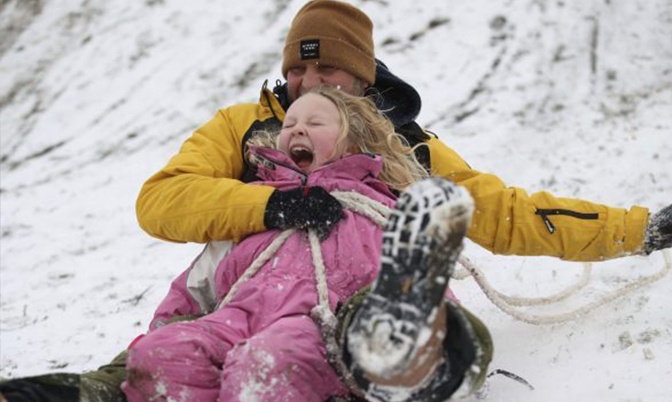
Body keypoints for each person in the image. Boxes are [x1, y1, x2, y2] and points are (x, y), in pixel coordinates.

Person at [1, 0, 670, 401]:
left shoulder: (405, 149)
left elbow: (504, 211)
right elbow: (163, 201)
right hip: (245, 292)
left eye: (326, 71)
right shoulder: (248, 129)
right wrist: (269, 207)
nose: (305, 84)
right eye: (297, 69)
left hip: (349, 293)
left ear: (363, 76)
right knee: (169, 352)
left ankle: (419, 350)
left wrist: (638, 229)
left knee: (363, 322)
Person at [121, 86, 460, 402]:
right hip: (237, 318)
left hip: (318, 328)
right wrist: (166, 326)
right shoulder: (261, 205)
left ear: (354, 142)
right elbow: (202, 278)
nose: (297, 129)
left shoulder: (373, 212)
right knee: (161, 353)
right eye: (290, 123)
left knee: (266, 361)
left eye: (315, 122)